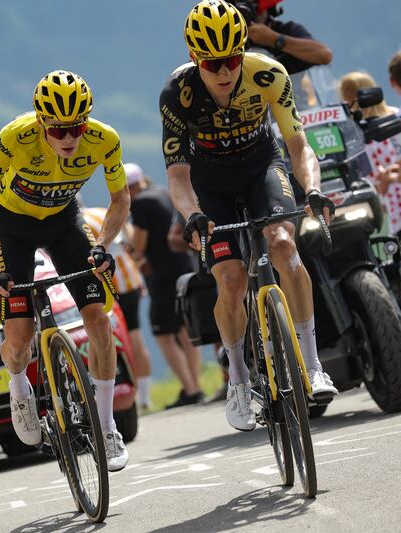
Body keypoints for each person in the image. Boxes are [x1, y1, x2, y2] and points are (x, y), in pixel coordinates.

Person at [163, 0, 338, 431]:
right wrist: (192, 214)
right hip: (210, 182)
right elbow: (178, 176)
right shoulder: (177, 93)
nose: (224, 71)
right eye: (212, 63)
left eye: (233, 59)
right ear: (194, 57)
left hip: (261, 166)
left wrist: (313, 189)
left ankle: (313, 365)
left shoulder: (268, 73)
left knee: (283, 245)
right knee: (230, 279)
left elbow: (298, 146)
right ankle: (239, 379)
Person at [0, 70, 131, 471]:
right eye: (58, 130)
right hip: (13, 227)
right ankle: (18, 387)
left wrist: (104, 246)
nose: (69, 138)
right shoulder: (14, 138)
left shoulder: (105, 139)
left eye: (77, 127)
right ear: (41, 123)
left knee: (99, 321)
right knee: (19, 339)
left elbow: (120, 199)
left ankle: (106, 425)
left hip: (63, 222)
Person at [128, 165, 204, 408]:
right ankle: (196, 386)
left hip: (161, 273)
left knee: (162, 333)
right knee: (184, 328)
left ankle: (190, 388)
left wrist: (130, 248)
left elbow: (139, 245)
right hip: (183, 265)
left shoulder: (140, 203)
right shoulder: (162, 191)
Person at [83, 200, 152, 411]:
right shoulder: (102, 211)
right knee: (135, 335)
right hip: (131, 277)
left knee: (113, 339)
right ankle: (144, 398)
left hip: (112, 284)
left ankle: (126, 394)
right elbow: (128, 236)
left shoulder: (83, 223)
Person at [339, 71, 401, 235]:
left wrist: (389, 177)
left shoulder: (395, 119)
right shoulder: (355, 132)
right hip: (388, 207)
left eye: (349, 94)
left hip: (390, 200)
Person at [236, 0, 332, 75]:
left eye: (253, 5)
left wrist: (274, 39)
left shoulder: (285, 30)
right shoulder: (230, 34)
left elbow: (324, 55)